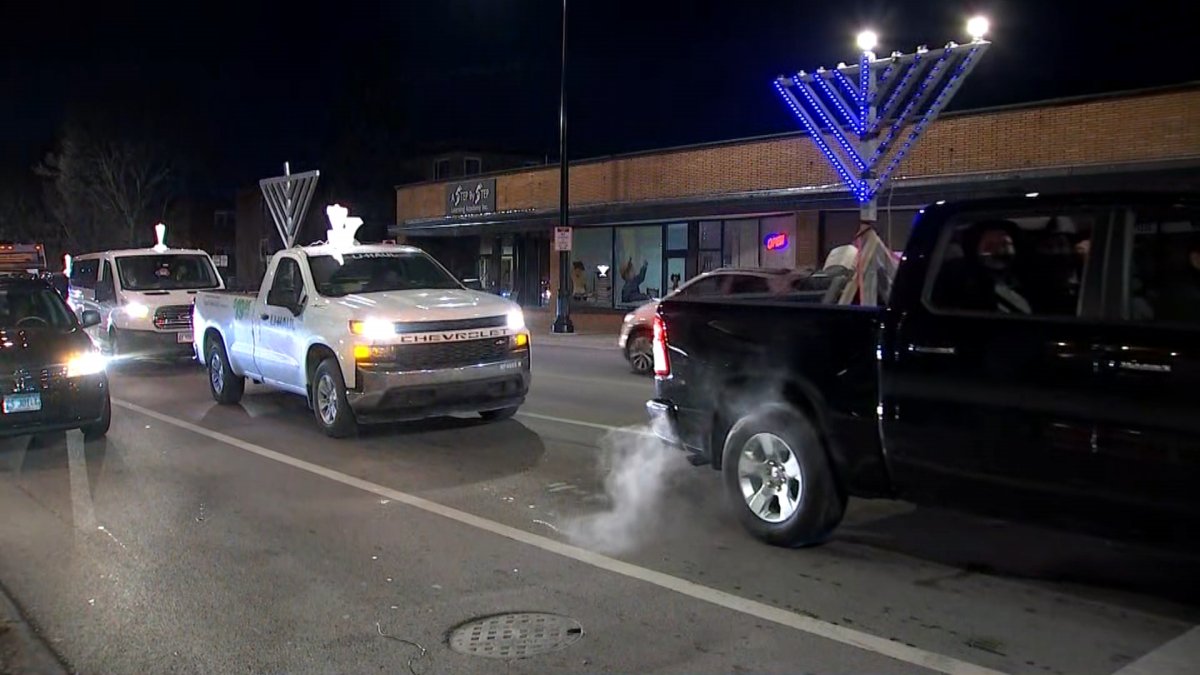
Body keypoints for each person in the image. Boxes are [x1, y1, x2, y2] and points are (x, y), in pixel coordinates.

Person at [961, 220, 1032, 314]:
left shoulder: (1033, 280)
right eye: (989, 246)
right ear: (975, 251)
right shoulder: (963, 286)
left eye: (1004, 244)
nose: (998, 251)